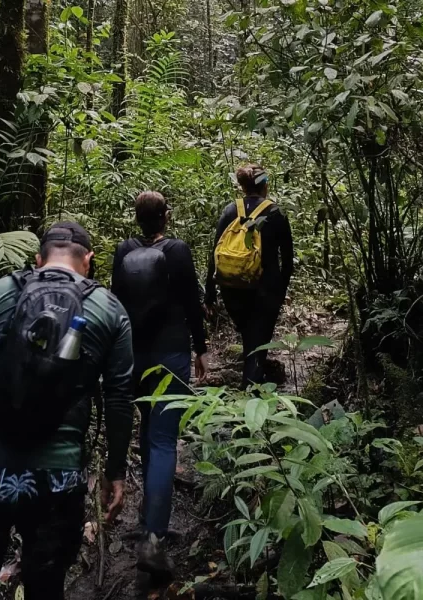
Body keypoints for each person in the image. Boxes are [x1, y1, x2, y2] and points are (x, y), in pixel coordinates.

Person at [0, 222, 134, 600]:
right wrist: (114, 472)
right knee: (46, 586)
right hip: (58, 478)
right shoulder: (109, 308)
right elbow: (119, 398)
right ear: (88, 261)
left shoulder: (0, 292)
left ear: (37, 260)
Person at [111, 191, 208, 578]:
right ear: (165, 217)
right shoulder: (178, 251)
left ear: (137, 219)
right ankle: (152, 536)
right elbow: (191, 302)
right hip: (170, 354)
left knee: (149, 428)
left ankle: (150, 518)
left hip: (133, 355)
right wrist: (201, 349)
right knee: (164, 439)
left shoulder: (122, 251)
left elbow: (116, 302)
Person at [205, 164, 294, 389]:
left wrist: (209, 293)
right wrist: (281, 290)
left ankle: (252, 383)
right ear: (265, 184)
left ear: (242, 186)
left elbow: (215, 253)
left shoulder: (230, 210)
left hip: (232, 286)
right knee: (259, 338)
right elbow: (288, 258)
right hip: (266, 287)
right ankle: (251, 390)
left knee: (250, 336)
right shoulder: (276, 213)